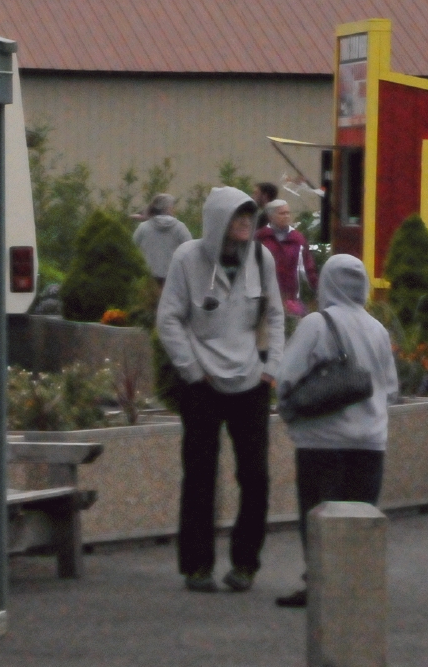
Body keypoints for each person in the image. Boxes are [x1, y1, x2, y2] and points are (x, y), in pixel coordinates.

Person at [156, 185, 285, 594]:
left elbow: (277, 316)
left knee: (256, 476)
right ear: (217, 223)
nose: (246, 223)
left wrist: (271, 370)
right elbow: (169, 320)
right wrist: (192, 370)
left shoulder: (260, 258)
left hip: (251, 382)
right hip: (202, 384)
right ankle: (197, 566)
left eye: (249, 216)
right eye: (237, 217)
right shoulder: (187, 259)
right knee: (199, 475)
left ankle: (245, 564)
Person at [272, 254, 398, 608]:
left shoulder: (316, 324)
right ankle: (354, 590)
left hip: (321, 441)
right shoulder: (377, 328)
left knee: (319, 519)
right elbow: (389, 387)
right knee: (358, 520)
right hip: (370, 443)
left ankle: (319, 586)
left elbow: (287, 376)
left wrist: (290, 411)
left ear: (326, 282)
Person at [257, 198, 316, 319]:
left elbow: (308, 268)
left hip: (291, 300)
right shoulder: (260, 238)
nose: (286, 216)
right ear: (271, 217)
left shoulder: (298, 239)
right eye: (282, 213)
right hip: (264, 298)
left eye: (288, 213)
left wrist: (317, 289)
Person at [132, 193, 191, 282]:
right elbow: (190, 250)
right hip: (173, 278)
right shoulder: (180, 228)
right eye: (173, 207)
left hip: (148, 278)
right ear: (168, 209)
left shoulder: (143, 228)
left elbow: (132, 248)